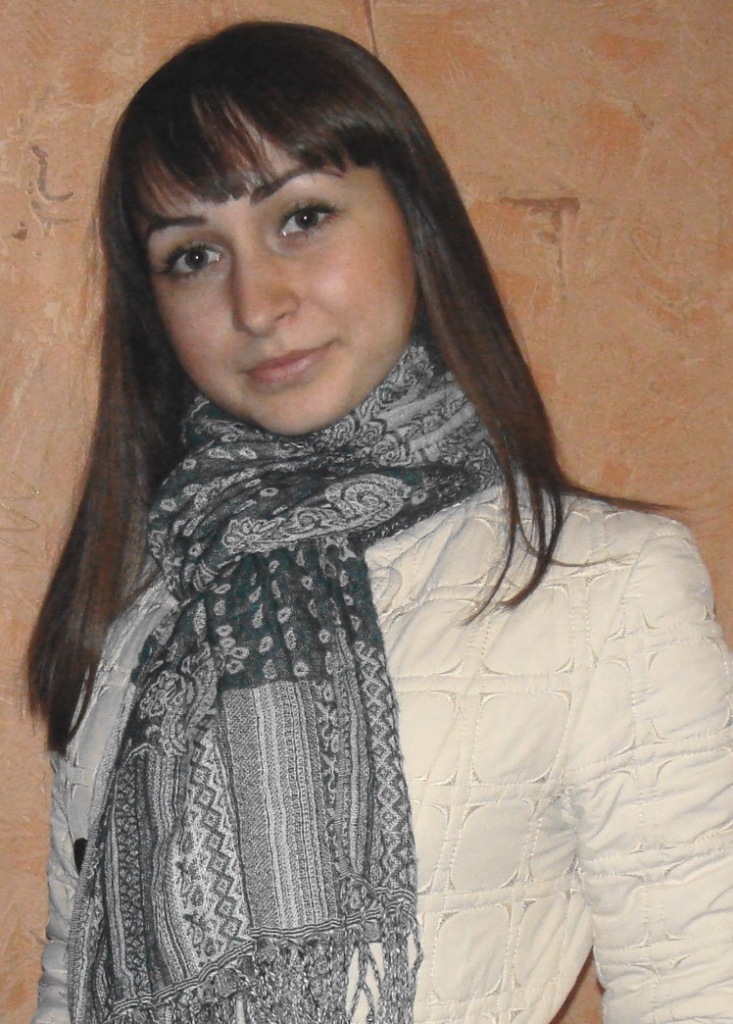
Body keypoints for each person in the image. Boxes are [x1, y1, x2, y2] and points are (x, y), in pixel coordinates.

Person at [28, 20, 733, 1024]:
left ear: (412, 218)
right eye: (192, 255)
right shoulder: (145, 611)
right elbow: (72, 985)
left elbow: (697, 990)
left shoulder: (604, 585)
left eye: (302, 218)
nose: (257, 303)